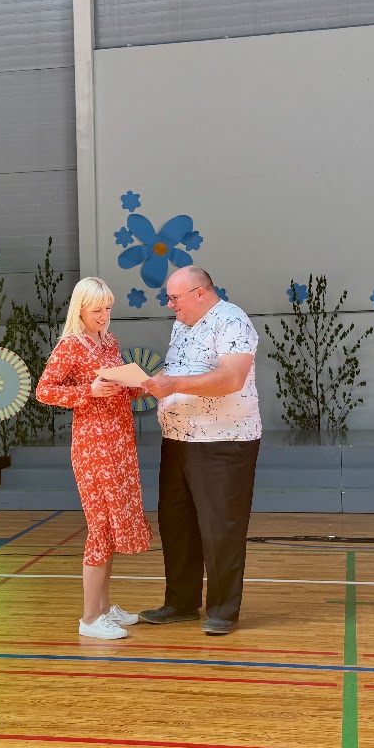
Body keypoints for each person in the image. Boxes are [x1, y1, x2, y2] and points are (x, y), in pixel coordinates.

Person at [139, 266, 261, 637]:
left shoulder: (232, 321)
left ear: (200, 293)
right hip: (178, 439)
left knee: (220, 527)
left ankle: (224, 610)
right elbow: (181, 373)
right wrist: (153, 385)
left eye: (174, 297)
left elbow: (232, 378)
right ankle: (181, 602)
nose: (169, 304)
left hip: (222, 442)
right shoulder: (182, 325)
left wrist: (173, 383)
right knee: (176, 524)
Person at [35, 276, 151, 639]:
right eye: (97, 310)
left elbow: (115, 388)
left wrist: (136, 387)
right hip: (93, 444)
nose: (104, 316)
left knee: (113, 526)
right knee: (100, 526)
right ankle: (89, 619)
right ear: (80, 309)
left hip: (120, 441)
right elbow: (44, 391)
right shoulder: (71, 345)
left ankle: (103, 607)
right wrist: (89, 390)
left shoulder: (109, 340)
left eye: (108, 309)